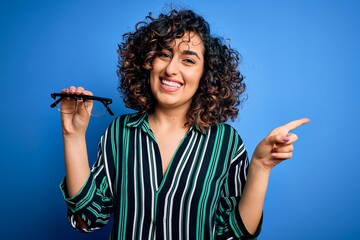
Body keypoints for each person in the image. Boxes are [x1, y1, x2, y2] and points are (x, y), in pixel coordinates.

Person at [58, 8, 309, 240]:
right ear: (147, 62)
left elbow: (236, 232)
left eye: (188, 60)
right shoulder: (119, 132)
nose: (171, 69)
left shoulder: (226, 142)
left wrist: (260, 167)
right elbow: (87, 218)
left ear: (205, 74)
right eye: (164, 54)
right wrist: (73, 135)